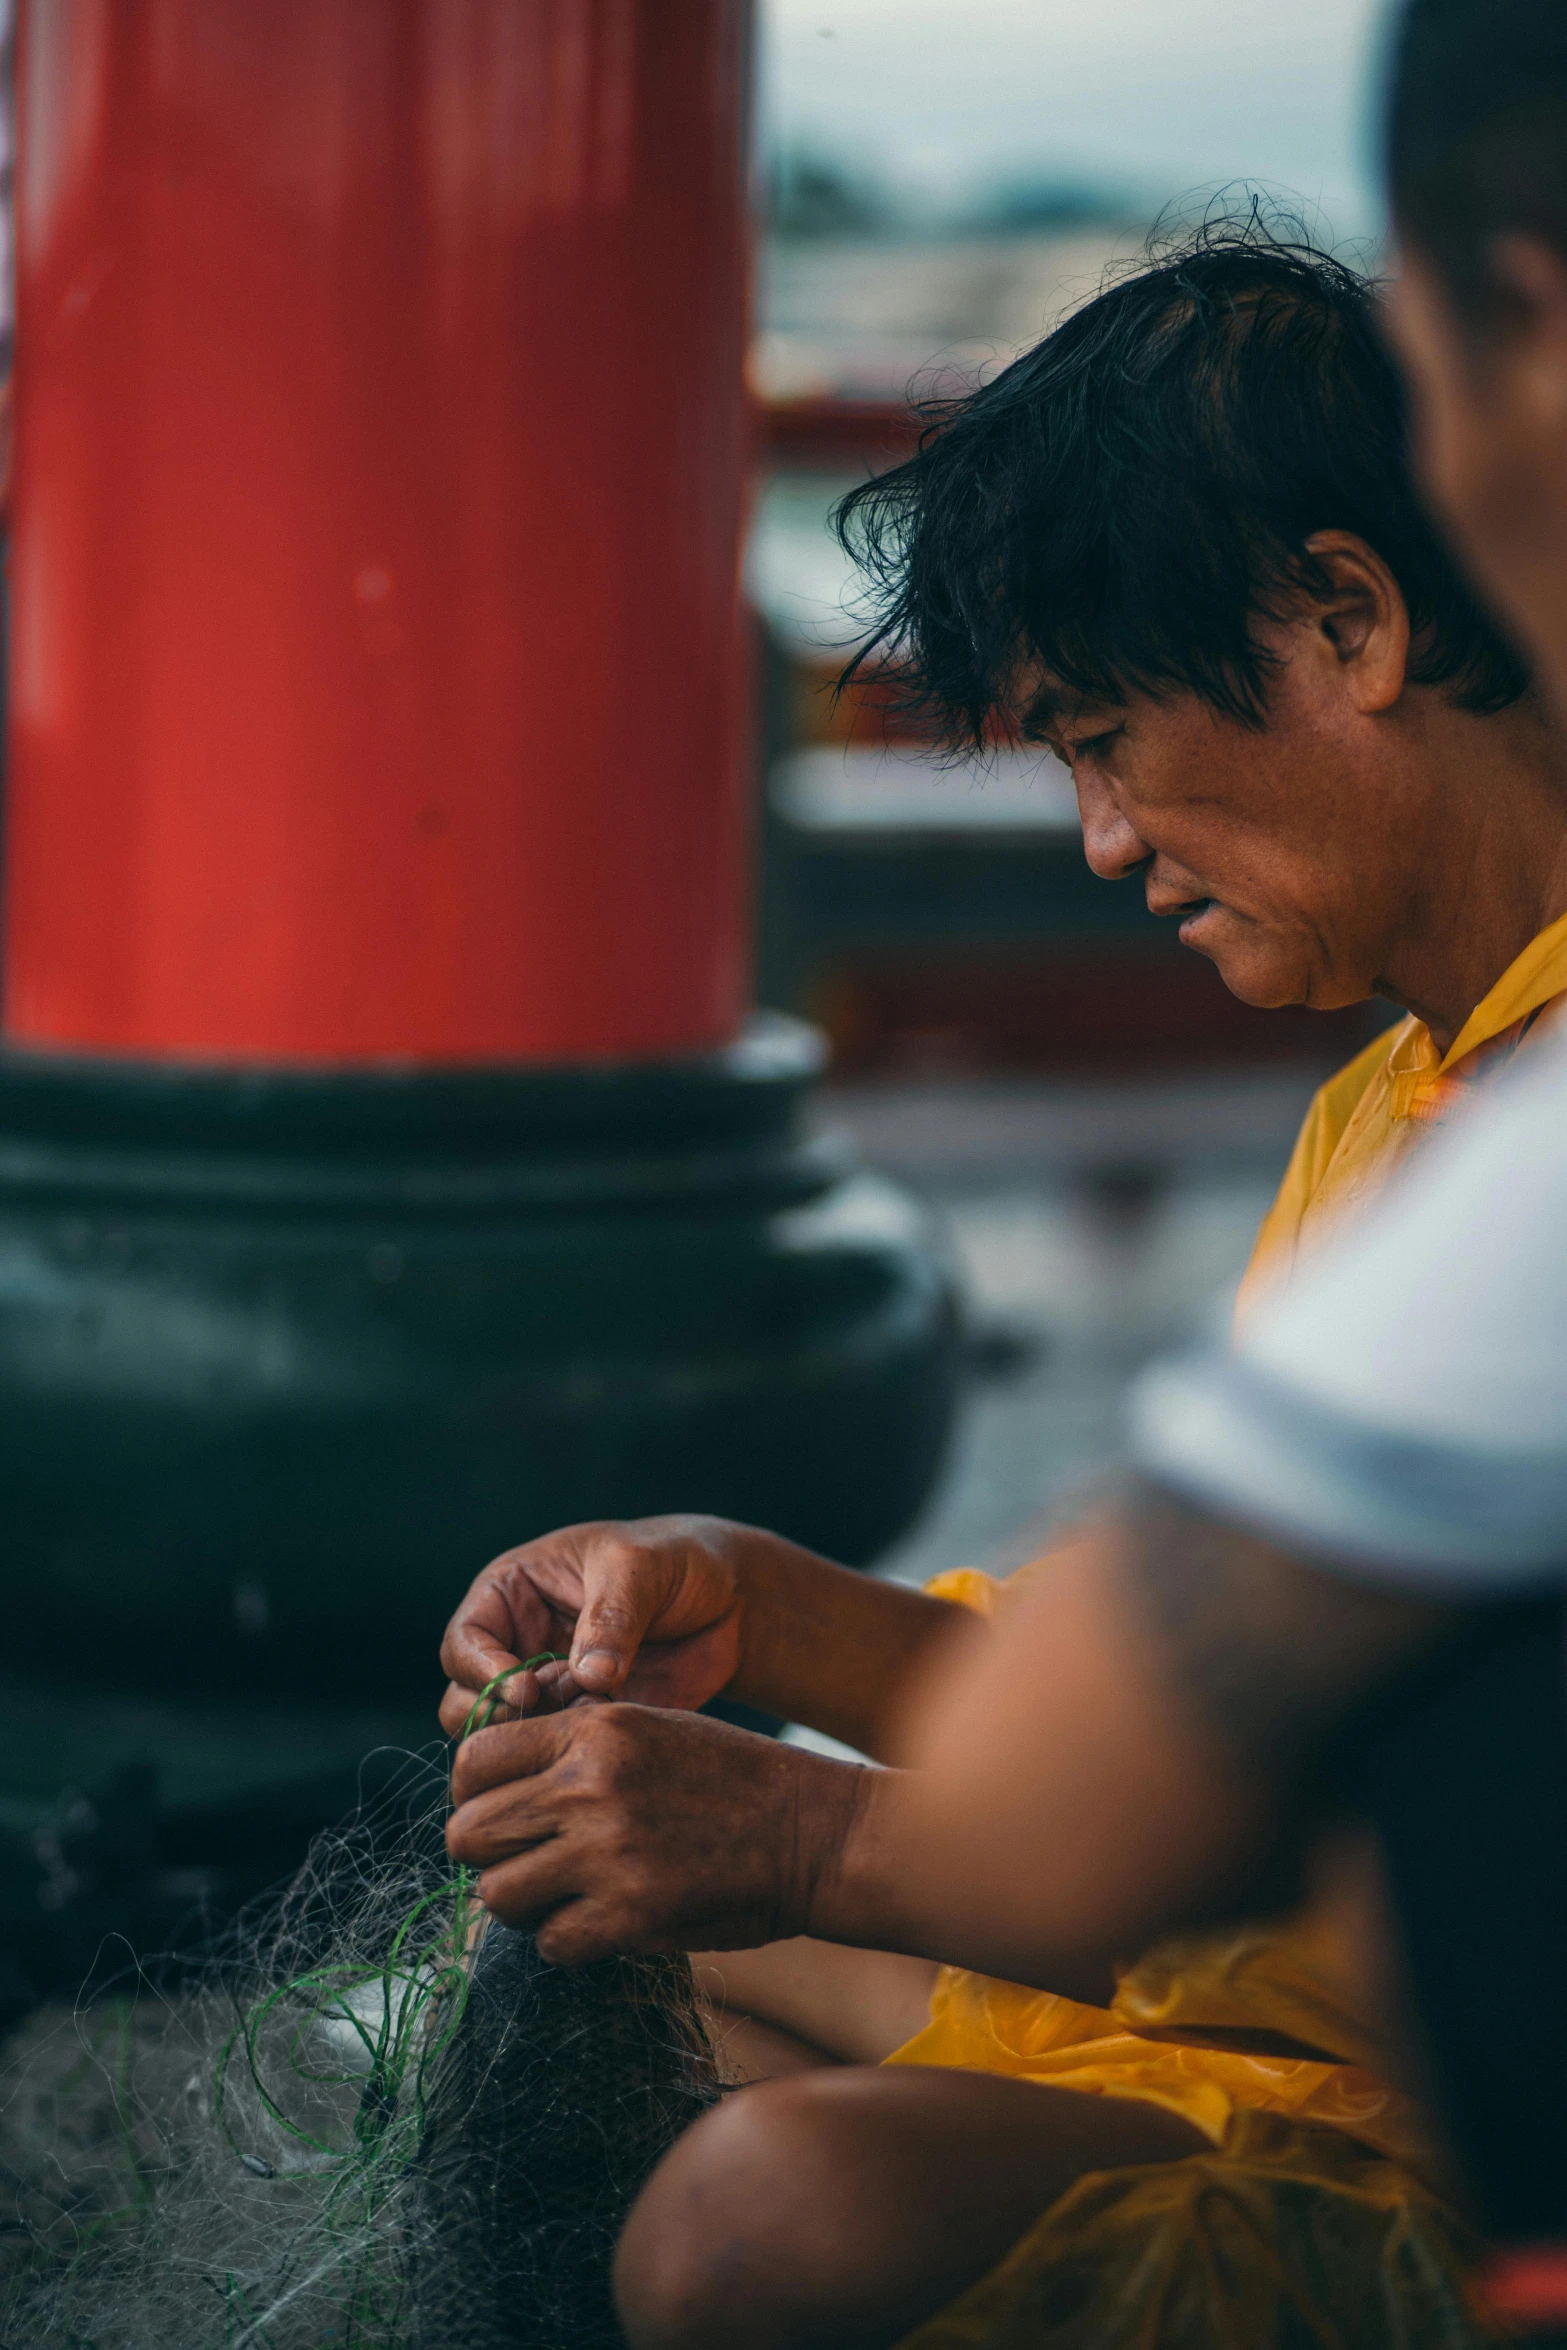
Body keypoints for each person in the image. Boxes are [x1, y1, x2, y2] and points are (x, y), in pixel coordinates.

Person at [444, 224, 1567, 2350]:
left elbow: (1274, 1837)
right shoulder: (1387, 1109)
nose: (1098, 839)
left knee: (757, 2226)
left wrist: (795, 1829)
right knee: (615, 1932)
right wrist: (750, 1599)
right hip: (1282, 2025)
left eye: (1108, 736)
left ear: (1352, 618)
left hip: (1478, 2132)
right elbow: (1169, 1665)